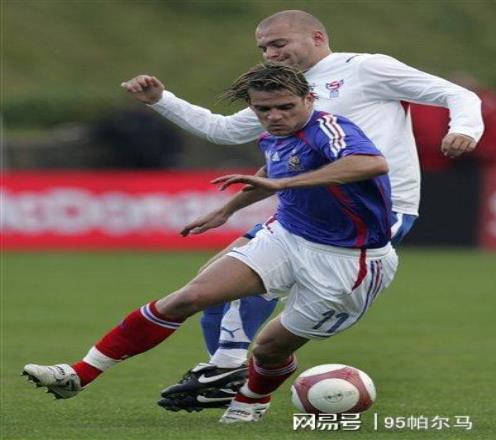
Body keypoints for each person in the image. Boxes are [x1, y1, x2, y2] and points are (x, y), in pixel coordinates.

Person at [120, 9, 484, 411]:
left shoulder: (365, 68)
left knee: (258, 288)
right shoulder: (282, 92)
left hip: (376, 207)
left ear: (316, 37)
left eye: (278, 44)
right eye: (263, 48)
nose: (270, 54)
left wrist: (464, 128)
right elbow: (222, 130)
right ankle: (226, 373)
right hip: (308, 206)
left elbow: (458, 94)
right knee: (211, 286)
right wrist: (162, 100)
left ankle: (235, 373)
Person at [23, 63, 398, 424]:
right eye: (264, 109)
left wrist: (282, 186)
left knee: (269, 349)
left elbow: (370, 163)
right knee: (189, 297)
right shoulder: (273, 134)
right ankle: (79, 374)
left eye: (286, 107)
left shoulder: (330, 128)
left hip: (350, 261)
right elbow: (274, 169)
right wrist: (226, 210)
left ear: (309, 99)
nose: (275, 116)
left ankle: (252, 399)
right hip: (287, 235)